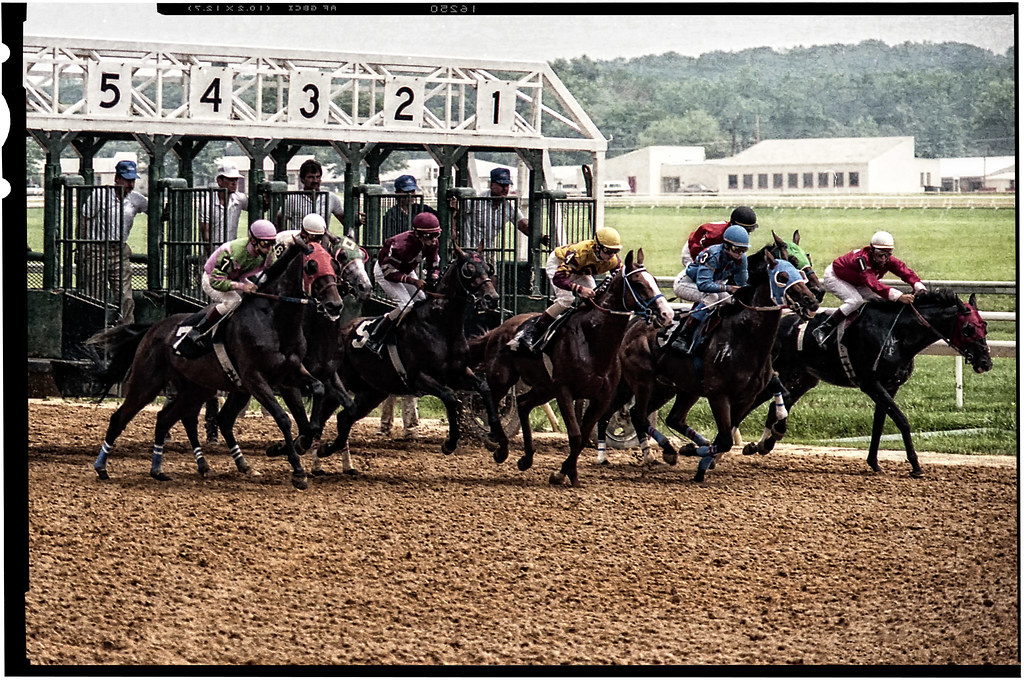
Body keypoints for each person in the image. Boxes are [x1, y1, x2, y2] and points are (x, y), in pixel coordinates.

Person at [507, 226, 622, 353]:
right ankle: (532, 331)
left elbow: (621, 275)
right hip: (558, 264)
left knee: (594, 299)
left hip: (580, 270)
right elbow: (559, 278)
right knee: (566, 299)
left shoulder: (613, 261)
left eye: (614, 252)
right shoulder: (579, 254)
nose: (611, 256)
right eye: (608, 251)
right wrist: (580, 289)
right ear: (597, 247)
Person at [172, 219, 278, 355]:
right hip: (212, 279)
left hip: (236, 277)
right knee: (234, 301)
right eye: (265, 243)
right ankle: (199, 330)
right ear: (253, 241)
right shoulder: (232, 252)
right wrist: (241, 286)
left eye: (272, 243)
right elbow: (216, 281)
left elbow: (273, 271)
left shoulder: (269, 253)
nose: (270, 248)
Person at [812, 230, 927, 347]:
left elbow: (904, 270)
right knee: (855, 301)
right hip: (836, 276)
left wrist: (918, 286)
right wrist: (899, 296)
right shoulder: (862, 260)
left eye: (887, 255)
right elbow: (871, 282)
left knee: (886, 301)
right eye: (879, 254)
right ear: (872, 250)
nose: (883, 259)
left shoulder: (887, 259)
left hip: (857, 280)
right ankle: (823, 329)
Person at [79, 159, 149, 325]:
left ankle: (126, 333)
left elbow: (155, 211)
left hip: (119, 250)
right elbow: (84, 220)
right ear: (117, 178)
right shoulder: (99, 195)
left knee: (126, 297)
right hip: (96, 249)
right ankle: (94, 331)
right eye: (127, 180)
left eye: (132, 180)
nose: (130, 184)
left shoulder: (136, 199)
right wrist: (81, 248)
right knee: (95, 296)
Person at [364, 212, 443, 355]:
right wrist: (413, 281)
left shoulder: (432, 243)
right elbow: (389, 273)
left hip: (406, 269)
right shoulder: (399, 245)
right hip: (385, 271)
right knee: (406, 306)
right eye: (430, 236)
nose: (434, 240)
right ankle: (376, 335)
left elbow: (434, 264)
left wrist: (434, 275)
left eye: (437, 235)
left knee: (422, 301)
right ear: (418, 234)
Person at [670, 224, 750, 353]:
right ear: (726, 246)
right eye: (736, 249)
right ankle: (683, 336)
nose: (740, 254)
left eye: (743, 250)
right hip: (686, 283)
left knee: (729, 300)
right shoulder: (713, 255)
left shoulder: (741, 259)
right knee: (712, 298)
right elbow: (703, 285)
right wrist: (728, 288)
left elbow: (742, 284)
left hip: (709, 283)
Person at [459, 167, 548, 249]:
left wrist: (541, 237)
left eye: (507, 185)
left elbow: (524, 226)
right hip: (470, 251)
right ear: (492, 185)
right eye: (502, 185)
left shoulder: (510, 206)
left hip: (489, 251)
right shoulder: (476, 200)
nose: (505, 189)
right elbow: (457, 214)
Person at [277, 158, 347, 234]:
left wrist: (358, 219)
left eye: (318, 177)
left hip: (322, 241)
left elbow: (344, 220)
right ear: (302, 179)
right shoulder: (293, 198)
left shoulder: (330, 197)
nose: (315, 181)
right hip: (300, 242)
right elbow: (280, 218)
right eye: (311, 177)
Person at [680, 206, 758, 269]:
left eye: (751, 229)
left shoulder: (735, 234)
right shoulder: (715, 235)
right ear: (732, 225)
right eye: (746, 230)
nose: (748, 233)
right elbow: (696, 248)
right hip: (692, 250)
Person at [199, 161, 248, 248]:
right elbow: (206, 235)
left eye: (236, 179)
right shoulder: (207, 203)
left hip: (231, 252)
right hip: (211, 254)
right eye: (230, 179)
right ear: (219, 181)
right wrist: (214, 257)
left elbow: (260, 208)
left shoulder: (239, 199)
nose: (234, 183)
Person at [381, 174, 437, 242]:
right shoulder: (391, 215)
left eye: (412, 191)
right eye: (406, 192)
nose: (411, 195)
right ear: (397, 193)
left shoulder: (423, 209)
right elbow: (389, 240)